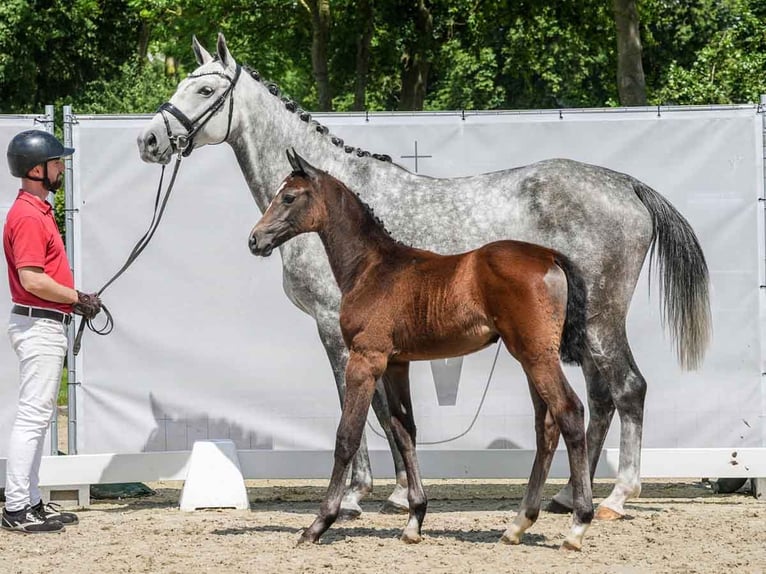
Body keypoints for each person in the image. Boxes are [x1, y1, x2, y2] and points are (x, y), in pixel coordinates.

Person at [2, 130, 102, 533]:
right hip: (39, 322)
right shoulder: (27, 216)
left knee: (40, 418)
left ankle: (32, 500)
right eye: (58, 162)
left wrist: (74, 300)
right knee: (32, 418)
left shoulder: (38, 210)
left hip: (46, 321)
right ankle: (15, 508)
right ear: (37, 169)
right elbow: (32, 279)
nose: (63, 167)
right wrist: (76, 296)